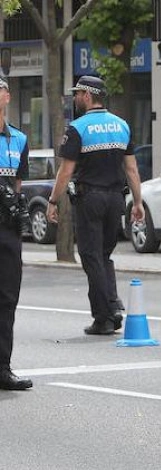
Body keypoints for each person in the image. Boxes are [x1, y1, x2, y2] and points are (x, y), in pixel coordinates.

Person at [47, 76, 145, 335]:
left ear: (88, 96)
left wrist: (53, 201)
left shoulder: (78, 128)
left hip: (89, 198)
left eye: (78, 93)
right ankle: (107, 312)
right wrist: (137, 202)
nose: (76, 98)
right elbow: (132, 169)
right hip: (115, 199)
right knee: (103, 256)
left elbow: (66, 171)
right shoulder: (122, 125)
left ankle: (107, 312)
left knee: (91, 257)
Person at [0, 76, 33, 390]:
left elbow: (18, 186)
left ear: (7, 96)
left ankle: (3, 368)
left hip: (7, 229)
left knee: (7, 299)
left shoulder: (19, 140)